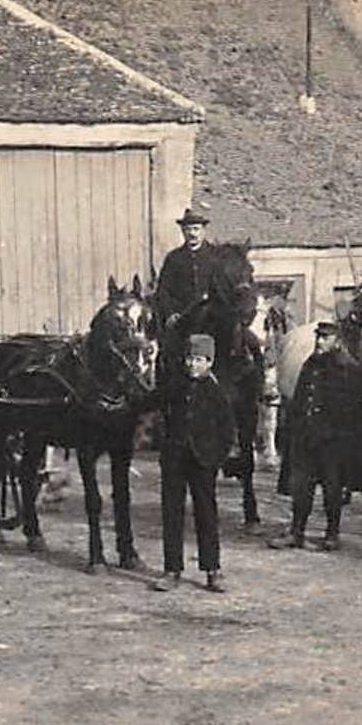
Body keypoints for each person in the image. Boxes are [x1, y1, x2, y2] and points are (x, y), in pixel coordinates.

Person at [268, 322, 362, 551]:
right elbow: (300, 398)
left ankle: (332, 533)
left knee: (332, 489)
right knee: (301, 489)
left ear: (337, 341)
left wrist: (348, 438)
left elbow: (361, 407)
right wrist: (294, 429)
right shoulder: (311, 364)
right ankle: (297, 532)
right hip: (306, 437)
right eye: (318, 337)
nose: (319, 341)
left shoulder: (349, 370)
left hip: (333, 443)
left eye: (325, 338)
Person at [153, 334, 235, 593]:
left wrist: (216, 458)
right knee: (171, 513)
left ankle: (212, 570)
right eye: (189, 359)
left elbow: (226, 431)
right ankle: (172, 570)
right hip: (174, 460)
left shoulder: (217, 392)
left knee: (206, 514)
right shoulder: (174, 386)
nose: (192, 365)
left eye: (199, 360)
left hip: (203, 461)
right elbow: (151, 405)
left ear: (209, 362)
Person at [153, 205, 215, 337]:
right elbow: (163, 291)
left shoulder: (215, 255)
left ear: (203, 231)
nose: (192, 233)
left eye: (196, 229)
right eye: (188, 230)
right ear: (182, 232)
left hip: (212, 320)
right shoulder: (174, 258)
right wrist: (170, 313)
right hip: (183, 320)